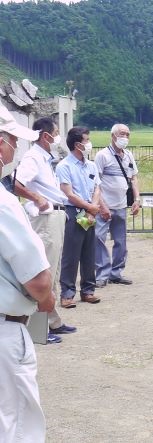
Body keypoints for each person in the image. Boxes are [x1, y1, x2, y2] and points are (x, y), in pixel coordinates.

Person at [0, 103, 55, 442]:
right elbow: (37, 279)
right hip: (5, 329)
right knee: (18, 421)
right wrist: (47, 299)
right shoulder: (3, 204)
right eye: (11, 140)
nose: (15, 148)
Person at [14, 117, 77, 343]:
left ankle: (53, 321)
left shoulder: (45, 157)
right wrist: (37, 198)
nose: (57, 137)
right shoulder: (33, 157)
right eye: (55, 133)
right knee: (44, 271)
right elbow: (17, 183)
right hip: (45, 217)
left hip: (56, 214)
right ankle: (40, 329)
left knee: (55, 270)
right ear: (45, 135)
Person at [55, 126, 102, 308]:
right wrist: (89, 207)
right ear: (77, 144)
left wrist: (92, 208)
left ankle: (88, 290)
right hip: (74, 212)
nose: (89, 143)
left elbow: (97, 187)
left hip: (90, 212)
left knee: (89, 252)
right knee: (71, 254)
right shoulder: (64, 166)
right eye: (86, 140)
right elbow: (69, 193)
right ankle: (67, 293)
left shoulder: (91, 165)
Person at [94, 123, 140, 287]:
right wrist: (101, 205)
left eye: (127, 134)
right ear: (113, 135)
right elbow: (95, 183)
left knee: (121, 241)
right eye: (122, 134)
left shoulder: (128, 155)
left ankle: (116, 273)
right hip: (105, 206)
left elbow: (133, 178)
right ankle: (101, 274)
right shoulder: (102, 156)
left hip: (121, 205)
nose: (125, 137)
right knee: (99, 239)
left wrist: (137, 199)